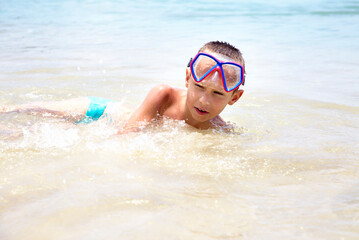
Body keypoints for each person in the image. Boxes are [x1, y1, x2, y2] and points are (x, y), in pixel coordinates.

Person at [1, 41, 246, 134]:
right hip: (97, 112)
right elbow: (124, 137)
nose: (204, 101)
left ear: (234, 97)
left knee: (21, 133)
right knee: (24, 112)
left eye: (217, 94)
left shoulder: (220, 129)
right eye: (200, 87)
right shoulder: (164, 94)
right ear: (186, 78)